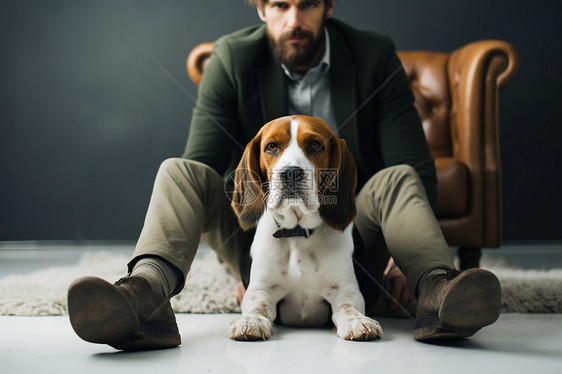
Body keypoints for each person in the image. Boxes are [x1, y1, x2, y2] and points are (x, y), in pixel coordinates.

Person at [67, 0, 501, 351]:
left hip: (345, 222)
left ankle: (437, 293)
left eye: (308, 4)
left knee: (402, 175)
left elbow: (416, 168)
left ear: (328, 6)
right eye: (279, 5)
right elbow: (204, 161)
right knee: (178, 171)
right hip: (257, 227)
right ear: (260, 8)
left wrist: (404, 258)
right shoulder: (231, 57)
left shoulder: (373, 54)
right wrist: (263, 214)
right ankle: (144, 294)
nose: (294, 20)